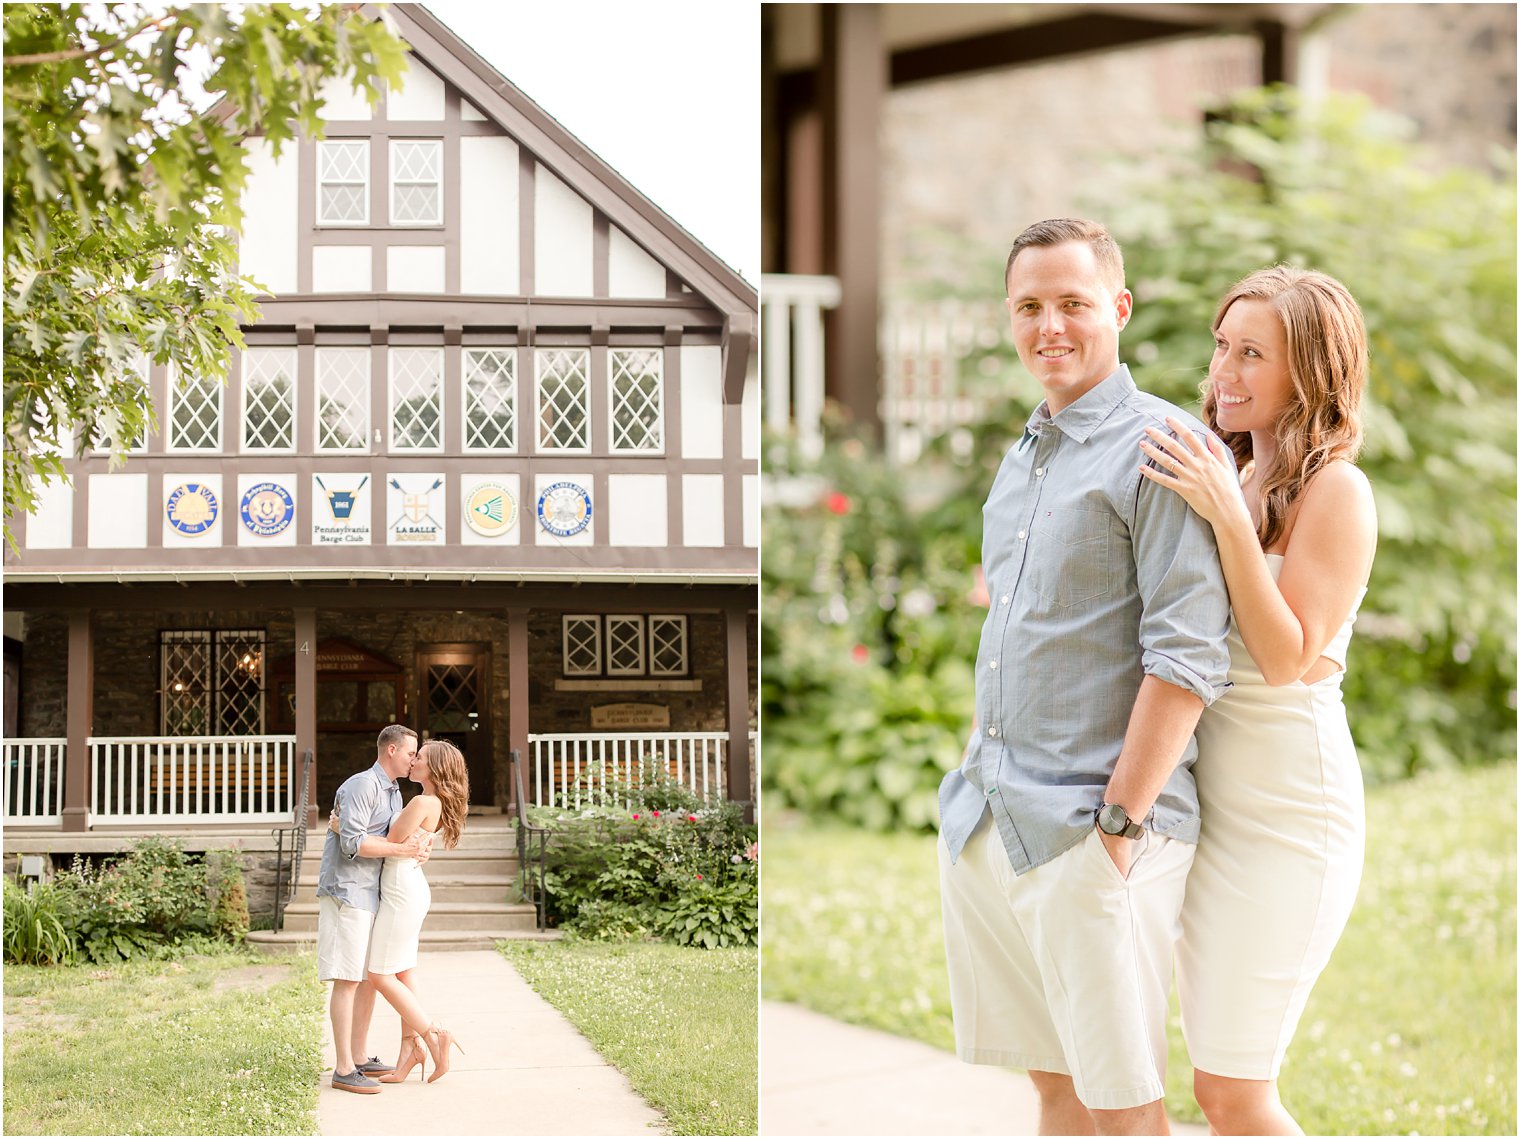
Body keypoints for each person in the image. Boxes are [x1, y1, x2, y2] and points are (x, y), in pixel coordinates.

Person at [937, 217, 1233, 1135]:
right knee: (1057, 1089)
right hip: (994, 816)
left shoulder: (1165, 449)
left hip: (1095, 834)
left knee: (1125, 1109)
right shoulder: (1022, 455)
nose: (1049, 327)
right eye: (1029, 306)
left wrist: (1116, 826)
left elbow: (1185, 658)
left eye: (1072, 302)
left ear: (1121, 307)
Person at [1137, 265, 1375, 1135]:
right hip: (1207, 807)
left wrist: (1230, 523)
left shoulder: (1336, 490)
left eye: (1252, 354)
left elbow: (1284, 656)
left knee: (1238, 1092)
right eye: (1221, 346)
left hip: (1288, 814)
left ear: (1307, 372)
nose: (1223, 372)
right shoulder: (1226, 470)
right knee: (1210, 1085)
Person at [317, 724, 431, 1095]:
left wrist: (418, 846)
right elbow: (352, 844)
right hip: (347, 892)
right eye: (412, 752)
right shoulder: (361, 786)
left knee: (367, 977)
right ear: (393, 750)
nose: (414, 759)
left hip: (372, 893)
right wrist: (404, 850)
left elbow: (391, 837)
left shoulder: (396, 792)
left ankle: (360, 1056)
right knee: (347, 979)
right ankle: (344, 1068)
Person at [355, 738, 471, 1084]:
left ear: (432, 768)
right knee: (403, 971)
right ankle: (410, 1050)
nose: (413, 761)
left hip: (402, 890)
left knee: (378, 974)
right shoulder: (429, 802)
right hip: (409, 886)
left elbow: (391, 843)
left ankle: (433, 1035)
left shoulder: (421, 801)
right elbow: (405, 842)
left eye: (418, 757)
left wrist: (342, 829)